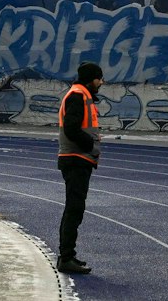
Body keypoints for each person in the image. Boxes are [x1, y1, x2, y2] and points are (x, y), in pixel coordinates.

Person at [56, 60, 103, 276]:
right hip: (76, 160)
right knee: (74, 209)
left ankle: (68, 255)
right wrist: (91, 145)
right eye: (99, 78)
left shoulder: (81, 94)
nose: (101, 83)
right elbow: (71, 129)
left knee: (75, 208)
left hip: (79, 159)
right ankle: (65, 258)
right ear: (91, 78)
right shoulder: (78, 95)